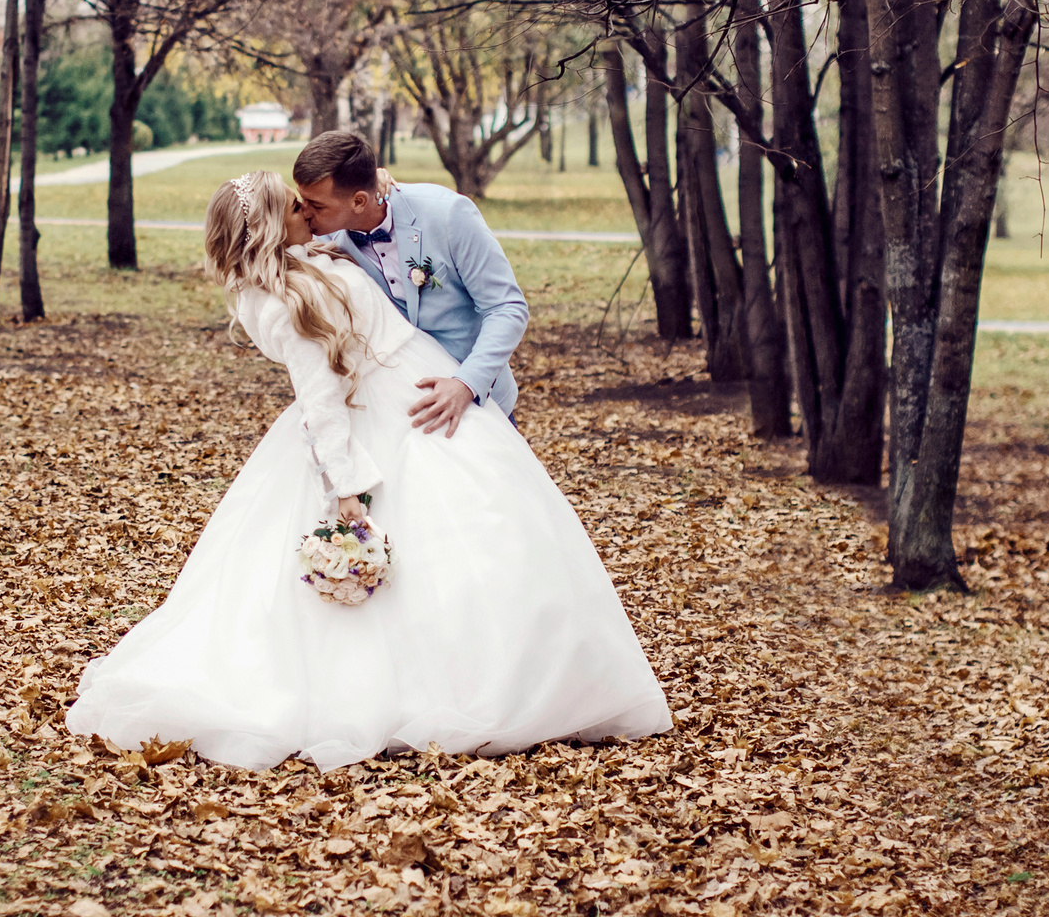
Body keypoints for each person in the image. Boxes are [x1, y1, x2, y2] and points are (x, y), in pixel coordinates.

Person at [65, 169, 671, 770]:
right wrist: (347, 487)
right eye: (296, 208)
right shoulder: (274, 299)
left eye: (310, 205)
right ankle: (423, 691)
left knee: (489, 530)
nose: (309, 213)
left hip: (420, 385)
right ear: (272, 226)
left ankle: (536, 671)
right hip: (372, 415)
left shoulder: (305, 258)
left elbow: (359, 211)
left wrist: (376, 191)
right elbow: (319, 398)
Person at [292, 129, 526, 432]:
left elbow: (507, 308)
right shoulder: (326, 244)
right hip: (400, 412)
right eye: (302, 200)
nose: (305, 213)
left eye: (317, 205)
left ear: (360, 201)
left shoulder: (447, 214)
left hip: (480, 397)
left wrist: (466, 384)